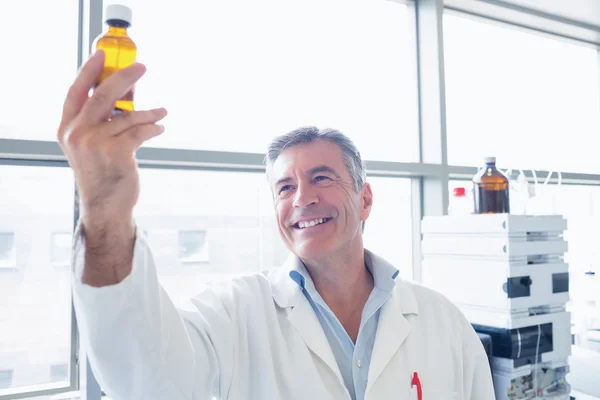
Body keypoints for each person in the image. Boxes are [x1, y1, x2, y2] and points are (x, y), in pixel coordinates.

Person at [58, 50, 495, 400]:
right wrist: (105, 212)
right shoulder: (236, 313)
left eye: (321, 177)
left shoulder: (443, 322)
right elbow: (147, 379)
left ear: (364, 199)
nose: (302, 198)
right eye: (285, 187)